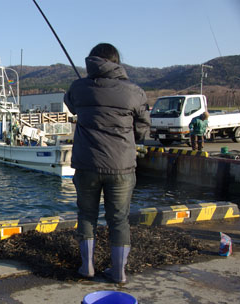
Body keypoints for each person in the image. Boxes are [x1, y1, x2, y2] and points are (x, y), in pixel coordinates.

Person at [64, 43, 150, 284]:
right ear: (116, 61)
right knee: (119, 219)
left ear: (92, 61)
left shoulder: (79, 88)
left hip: (87, 165)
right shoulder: (135, 91)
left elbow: (71, 104)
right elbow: (143, 128)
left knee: (87, 215)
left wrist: (87, 87)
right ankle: (119, 272)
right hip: (122, 166)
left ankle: (87, 267)